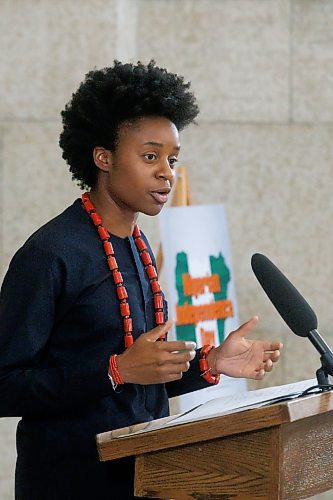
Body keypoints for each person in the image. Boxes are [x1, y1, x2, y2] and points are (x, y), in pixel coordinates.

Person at [0, 60, 282, 499]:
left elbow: (142, 378)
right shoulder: (50, 253)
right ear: (103, 158)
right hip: (68, 482)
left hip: (145, 477)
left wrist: (210, 364)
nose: (166, 172)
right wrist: (115, 370)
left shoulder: (139, 246)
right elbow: (6, 386)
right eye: (150, 156)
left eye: (172, 159)